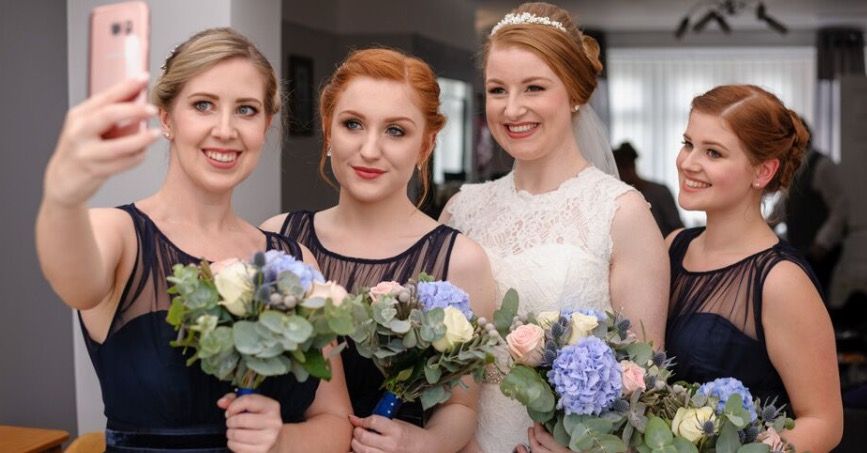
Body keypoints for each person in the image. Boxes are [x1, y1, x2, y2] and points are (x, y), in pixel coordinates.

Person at [35, 28, 352, 452]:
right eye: (203, 105)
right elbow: (75, 283)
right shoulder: (118, 233)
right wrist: (63, 195)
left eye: (246, 110)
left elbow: (335, 422)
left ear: (265, 126)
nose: (225, 129)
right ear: (167, 118)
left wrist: (281, 439)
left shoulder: (296, 260)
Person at [439, 3, 669, 452]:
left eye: (534, 87)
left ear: (576, 93)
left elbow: (643, 382)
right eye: (497, 90)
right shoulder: (459, 210)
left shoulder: (621, 213)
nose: (512, 108)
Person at [261, 48, 497, 453]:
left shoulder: (460, 260)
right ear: (329, 130)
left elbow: (462, 406)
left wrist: (422, 443)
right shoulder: (278, 238)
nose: (370, 149)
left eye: (395, 131)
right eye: (353, 124)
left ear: (426, 145)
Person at [665, 84, 843, 451]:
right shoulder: (673, 245)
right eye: (688, 143)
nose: (688, 162)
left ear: (762, 172)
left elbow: (824, 423)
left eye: (713, 152)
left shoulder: (781, 281)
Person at [770, 118, 848, 298]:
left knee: (816, 297)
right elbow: (784, 203)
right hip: (800, 248)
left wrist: (822, 242)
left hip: (819, 251)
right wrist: (767, 224)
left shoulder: (822, 166)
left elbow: (840, 207)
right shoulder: (794, 167)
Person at [614, 141, 684, 236]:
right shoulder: (617, 196)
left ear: (631, 167)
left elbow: (677, 228)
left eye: (622, 169)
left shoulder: (659, 192)